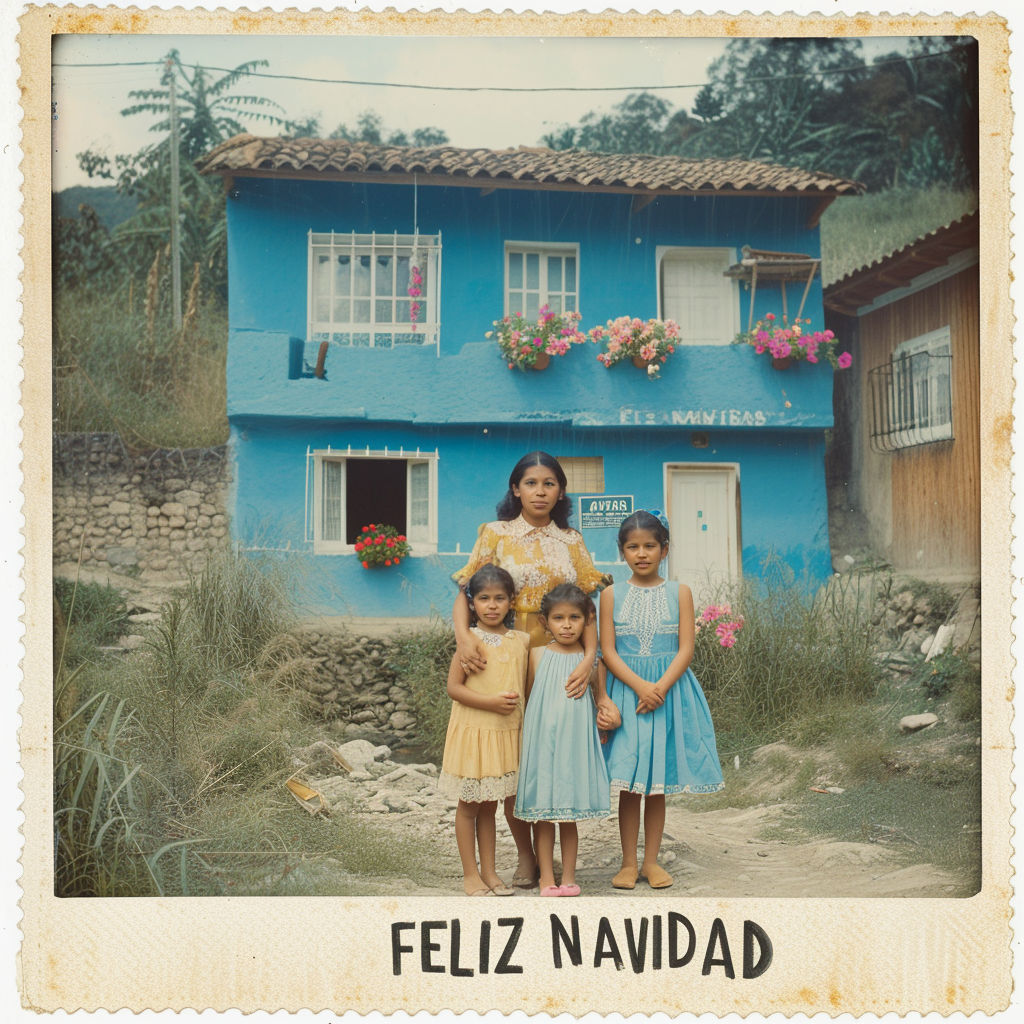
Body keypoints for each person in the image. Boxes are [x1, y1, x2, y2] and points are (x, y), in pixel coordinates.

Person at [451, 451, 611, 888]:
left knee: (549, 754)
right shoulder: (495, 534)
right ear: (515, 489)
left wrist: (588, 657)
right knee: (515, 757)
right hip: (505, 648)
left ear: (560, 491)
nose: (540, 491)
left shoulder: (572, 540)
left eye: (549, 484)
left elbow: (588, 610)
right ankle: (529, 858)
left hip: (558, 652)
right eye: (531, 483)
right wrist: (464, 638)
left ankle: (554, 859)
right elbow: (468, 592)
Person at [600, 510, 724, 890]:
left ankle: (651, 862)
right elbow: (608, 650)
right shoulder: (609, 595)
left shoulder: (680, 592)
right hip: (628, 695)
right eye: (632, 547)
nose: (642, 553)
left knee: (656, 784)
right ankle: (627, 862)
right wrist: (640, 687)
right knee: (629, 781)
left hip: (669, 694)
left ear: (664, 549)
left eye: (650, 546)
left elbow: (686, 649)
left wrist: (660, 688)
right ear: (621, 552)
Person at [514, 584, 616, 896]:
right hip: (542, 745)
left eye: (575, 618)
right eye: (559, 618)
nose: (567, 624)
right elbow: (530, 699)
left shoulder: (592, 662)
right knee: (544, 816)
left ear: (587, 621)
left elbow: (600, 701)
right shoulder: (536, 655)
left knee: (568, 816)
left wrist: (603, 725)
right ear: (545, 621)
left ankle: (569, 876)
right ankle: (546, 877)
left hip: (574, 745)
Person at [438, 565, 530, 896]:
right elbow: (454, 688)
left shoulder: (522, 640)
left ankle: (490, 873)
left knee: (490, 805)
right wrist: (490, 702)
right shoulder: (469, 641)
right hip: (474, 732)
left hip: (504, 734)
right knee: (469, 805)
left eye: (500, 598)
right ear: (471, 602)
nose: (492, 605)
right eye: (483, 598)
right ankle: (469, 874)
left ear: (511, 601)